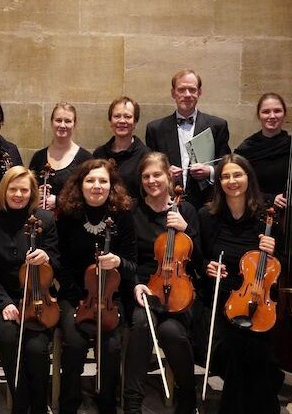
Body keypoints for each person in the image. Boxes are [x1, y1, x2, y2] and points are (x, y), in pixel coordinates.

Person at [199, 154, 284, 414]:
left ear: (249, 177)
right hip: (220, 297)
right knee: (238, 350)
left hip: (259, 301)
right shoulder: (208, 215)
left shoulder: (266, 217)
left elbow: (279, 266)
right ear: (219, 182)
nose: (232, 181)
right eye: (225, 176)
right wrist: (207, 267)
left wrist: (274, 249)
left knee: (251, 350)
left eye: (237, 175)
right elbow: (198, 256)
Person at [55, 159, 137, 414]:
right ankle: (69, 402)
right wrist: (79, 298)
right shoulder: (68, 216)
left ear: (111, 185)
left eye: (103, 180)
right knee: (75, 342)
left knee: (111, 346)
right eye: (90, 180)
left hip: (111, 298)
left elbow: (133, 265)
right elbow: (60, 261)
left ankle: (107, 402)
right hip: (75, 295)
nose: (97, 186)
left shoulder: (123, 217)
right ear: (80, 185)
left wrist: (118, 262)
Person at [123, 152, 200, 414]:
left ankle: (188, 396)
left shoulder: (185, 209)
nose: (152, 180)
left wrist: (186, 229)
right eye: (146, 176)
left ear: (169, 176)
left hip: (179, 290)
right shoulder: (132, 211)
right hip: (144, 287)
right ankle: (132, 401)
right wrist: (134, 283)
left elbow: (199, 259)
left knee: (172, 333)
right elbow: (127, 257)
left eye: (157, 174)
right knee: (142, 324)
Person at [0, 166, 60, 414]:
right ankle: (20, 403)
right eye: (13, 189)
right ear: (4, 191)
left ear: (32, 193)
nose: (18, 194)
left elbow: (58, 262)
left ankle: (39, 405)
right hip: (4, 299)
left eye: (24, 190)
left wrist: (46, 256)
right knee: (8, 338)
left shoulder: (45, 220)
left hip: (38, 298)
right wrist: (4, 302)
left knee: (37, 348)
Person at [145, 69, 231, 209]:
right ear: (173, 93)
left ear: (199, 92)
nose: (187, 95)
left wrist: (209, 171)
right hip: (167, 201)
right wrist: (165, 173)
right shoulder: (155, 129)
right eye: (181, 90)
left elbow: (226, 164)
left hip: (207, 203)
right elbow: (149, 168)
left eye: (192, 89)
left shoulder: (218, 125)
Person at [234, 92, 292, 207]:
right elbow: (238, 186)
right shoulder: (246, 149)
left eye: (277, 111)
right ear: (259, 115)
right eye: (266, 111)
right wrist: (270, 198)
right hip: (256, 210)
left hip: (291, 211)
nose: (272, 116)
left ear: (284, 114)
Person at [28, 102, 92, 210]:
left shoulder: (85, 158)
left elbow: (90, 195)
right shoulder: (38, 157)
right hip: (43, 223)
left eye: (68, 121)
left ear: (74, 124)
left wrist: (59, 201)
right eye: (58, 120)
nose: (62, 125)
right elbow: (27, 190)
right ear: (51, 122)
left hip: (72, 223)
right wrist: (35, 193)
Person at [92, 96, 151, 200]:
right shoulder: (99, 154)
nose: (122, 121)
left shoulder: (145, 155)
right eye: (117, 116)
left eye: (128, 116)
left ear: (135, 122)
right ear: (110, 121)